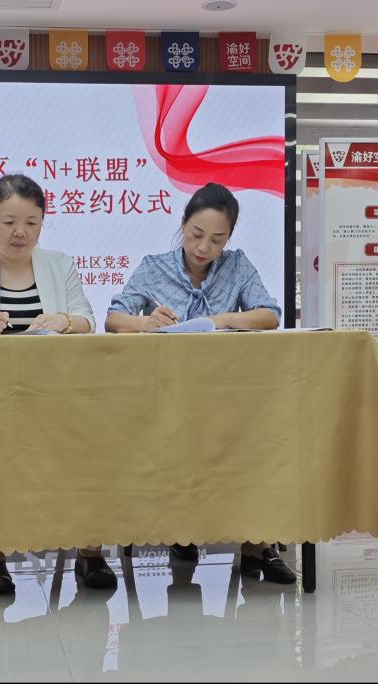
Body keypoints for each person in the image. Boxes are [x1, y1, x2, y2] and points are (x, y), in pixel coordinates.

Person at [0, 173, 117, 593]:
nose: (20, 232)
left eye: (31, 223)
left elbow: (87, 319)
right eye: (9, 221)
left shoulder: (60, 264)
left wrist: (64, 320)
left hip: (55, 394)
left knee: (91, 444)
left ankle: (90, 551)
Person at [104, 182, 296, 584]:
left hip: (225, 395)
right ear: (183, 224)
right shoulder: (154, 267)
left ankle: (256, 544)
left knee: (258, 438)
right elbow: (114, 319)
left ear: (229, 237)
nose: (204, 247)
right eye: (196, 234)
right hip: (165, 398)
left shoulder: (237, 266)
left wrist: (222, 320)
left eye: (217, 239)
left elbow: (269, 315)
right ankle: (182, 530)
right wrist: (145, 322)